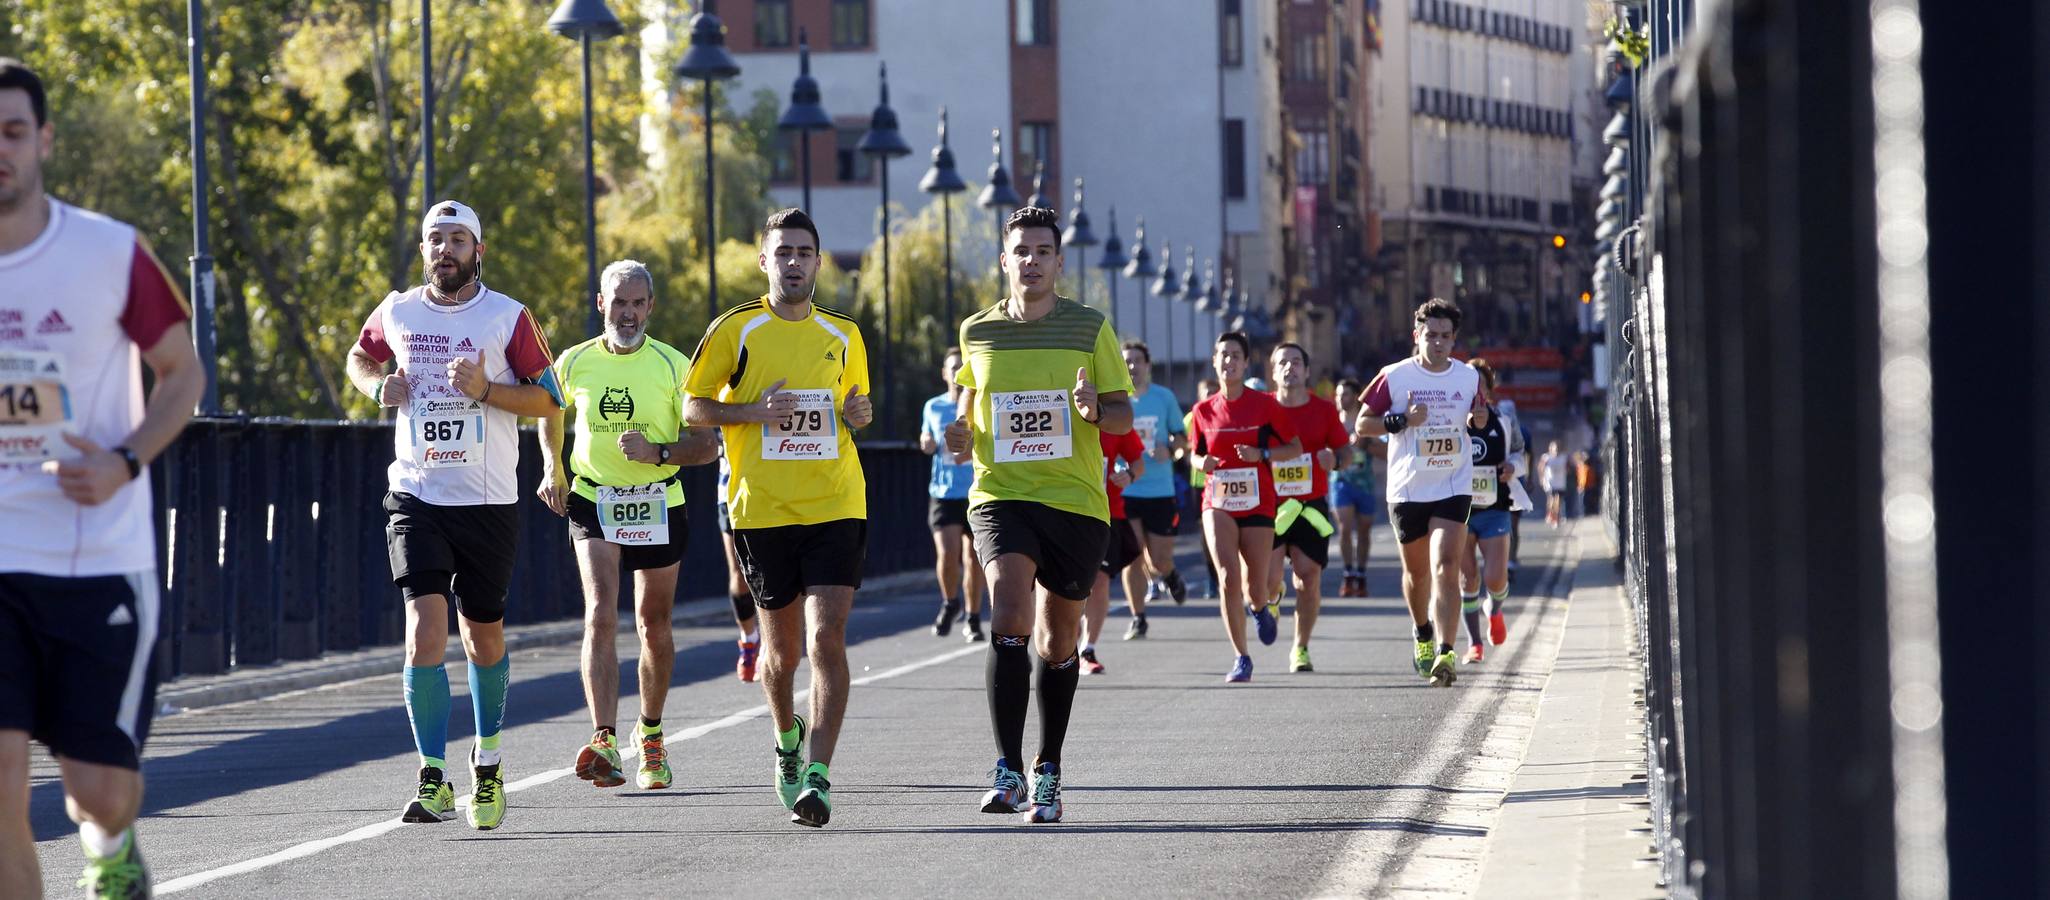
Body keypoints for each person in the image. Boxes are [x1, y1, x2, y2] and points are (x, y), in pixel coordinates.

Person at [0, 59, 207, 899]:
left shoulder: (108, 252)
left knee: (96, 792)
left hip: (93, 560)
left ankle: (113, 844)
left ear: (44, 139)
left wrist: (125, 462)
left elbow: (182, 373)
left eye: (12, 133)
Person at [346, 198, 564, 830]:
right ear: (423, 251)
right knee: (423, 629)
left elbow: (550, 401)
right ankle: (432, 776)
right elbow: (362, 356)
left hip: (488, 501)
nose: (445, 250)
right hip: (416, 494)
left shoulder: (508, 316)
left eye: (457, 240)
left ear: (478, 250)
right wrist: (374, 386)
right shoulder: (398, 310)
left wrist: (488, 391)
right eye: (435, 240)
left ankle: (488, 763)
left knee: (483, 635)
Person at [943, 206, 1133, 824]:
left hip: (1076, 500)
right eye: (1020, 251)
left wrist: (1090, 411)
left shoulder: (1090, 327)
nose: (1031, 261)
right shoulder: (978, 331)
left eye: (1042, 251)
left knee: (1057, 641)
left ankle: (1048, 768)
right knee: (1007, 608)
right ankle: (1007, 769)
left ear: (1059, 260)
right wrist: (961, 437)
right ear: (1005, 261)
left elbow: (1121, 416)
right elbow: (970, 402)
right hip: (1001, 493)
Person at [684, 208, 872, 828]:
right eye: (782, 252)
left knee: (826, 640)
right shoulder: (737, 330)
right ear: (764, 261)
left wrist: (860, 413)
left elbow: (854, 404)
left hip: (836, 503)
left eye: (804, 252)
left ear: (820, 262)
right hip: (761, 509)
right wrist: (753, 414)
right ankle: (786, 738)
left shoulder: (845, 334)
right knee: (781, 652)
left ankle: (819, 773)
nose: (793, 262)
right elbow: (693, 408)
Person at [537, 260, 717, 791]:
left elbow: (707, 445)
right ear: (601, 304)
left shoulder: (674, 365)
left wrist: (657, 451)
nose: (629, 313)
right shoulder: (572, 362)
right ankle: (604, 738)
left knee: (653, 624)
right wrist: (553, 467)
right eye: (619, 303)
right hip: (594, 499)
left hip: (659, 499)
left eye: (638, 303)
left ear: (650, 307)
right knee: (599, 613)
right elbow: (548, 411)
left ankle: (652, 735)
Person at [1353, 298, 1488, 687]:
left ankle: (1446, 651)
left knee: (1447, 564)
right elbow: (1363, 425)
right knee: (1416, 573)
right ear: (1417, 336)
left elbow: (1477, 418)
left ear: (1454, 339)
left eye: (1446, 336)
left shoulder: (1467, 377)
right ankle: (1423, 630)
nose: (1438, 343)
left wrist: (1476, 420)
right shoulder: (1394, 376)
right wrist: (1401, 420)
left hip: (1452, 484)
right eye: (1431, 336)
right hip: (1408, 487)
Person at [1188, 332, 1303, 683]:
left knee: (1256, 586)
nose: (1229, 361)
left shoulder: (1266, 404)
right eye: (1223, 355)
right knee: (1226, 577)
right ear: (1214, 362)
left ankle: (1260, 607)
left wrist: (1262, 455)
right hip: (1217, 500)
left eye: (1235, 355)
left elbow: (1294, 447)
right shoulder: (1202, 410)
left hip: (1257, 501)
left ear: (1246, 362)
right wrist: (1200, 463)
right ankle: (1241, 657)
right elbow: (1194, 454)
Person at [1266, 343, 1350, 673]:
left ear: (1307, 370)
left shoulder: (1324, 410)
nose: (1290, 367)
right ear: (1273, 372)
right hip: (1269, 506)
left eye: (1296, 362)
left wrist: (1336, 461)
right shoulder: (1263, 408)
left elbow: (1345, 453)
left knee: (1308, 578)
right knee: (1267, 582)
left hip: (1309, 505)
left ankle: (1300, 647)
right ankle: (1272, 596)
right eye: (1283, 362)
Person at [1115, 341, 1189, 639]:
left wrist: (1169, 449)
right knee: (1131, 555)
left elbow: (1182, 439)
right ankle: (1138, 617)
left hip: (1159, 489)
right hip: (1126, 488)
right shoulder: (1116, 401)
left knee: (1158, 559)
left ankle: (1169, 574)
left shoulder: (1164, 397)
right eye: (1126, 362)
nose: (1132, 366)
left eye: (1137, 361)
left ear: (1148, 365)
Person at [919, 348, 985, 641]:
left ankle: (972, 617)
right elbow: (926, 437)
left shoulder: (978, 404)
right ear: (944, 373)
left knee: (973, 558)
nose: (957, 374)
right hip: (943, 491)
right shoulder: (933, 406)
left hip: (975, 491)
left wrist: (969, 452)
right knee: (947, 554)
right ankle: (950, 602)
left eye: (963, 368)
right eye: (953, 368)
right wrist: (927, 442)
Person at [1456, 360, 1516, 663]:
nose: (1474, 391)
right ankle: (1474, 644)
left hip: (1494, 507)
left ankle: (1494, 607)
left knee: (1494, 578)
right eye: (1468, 385)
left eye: (1479, 385)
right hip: (1459, 509)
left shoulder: (1504, 418)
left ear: (1488, 390)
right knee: (1467, 579)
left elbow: (1519, 450)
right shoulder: (1451, 419)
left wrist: (1513, 466)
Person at [1082, 425, 1146, 673]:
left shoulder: (1113, 418)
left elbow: (1138, 462)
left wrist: (1129, 475)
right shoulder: (1060, 411)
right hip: (1064, 511)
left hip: (1107, 513)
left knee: (1100, 579)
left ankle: (1088, 649)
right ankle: (1064, 640)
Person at [1330, 377, 1385, 598]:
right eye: (1338, 395)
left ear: (1355, 397)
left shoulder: (1366, 423)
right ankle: (1348, 573)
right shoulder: (1332, 423)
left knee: (1363, 530)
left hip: (1365, 483)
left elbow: (1386, 452)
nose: (1340, 399)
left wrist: (1367, 444)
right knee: (1344, 527)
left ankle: (1361, 573)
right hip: (1341, 482)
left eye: (1345, 394)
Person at [714, 444, 762, 681]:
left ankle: (773, 642)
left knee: (777, 572)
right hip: (731, 490)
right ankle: (749, 639)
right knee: (740, 572)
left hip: (776, 487)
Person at [1184, 376, 1221, 601]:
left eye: (1213, 392)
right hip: (1200, 483)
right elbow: (1183, 445)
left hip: (1224, 481)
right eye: (1205, 392)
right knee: (1207, 534)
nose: (1209, 396)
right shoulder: (1192, 418)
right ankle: (1212, 578)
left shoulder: (1226, 413)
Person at [1539, 441, 1568, 526]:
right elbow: (1541, 467)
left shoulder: (1563, 457)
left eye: (1557, 449)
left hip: (1560, 483)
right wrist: (1541, 478)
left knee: (1558, 500)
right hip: (1550, 482)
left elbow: (1569, 465)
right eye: (1554, 449)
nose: (1555, 451)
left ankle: (1556, 517)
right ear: (1550, 449)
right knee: (1551, 499)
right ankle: (1550, 514)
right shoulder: (1546, 457)